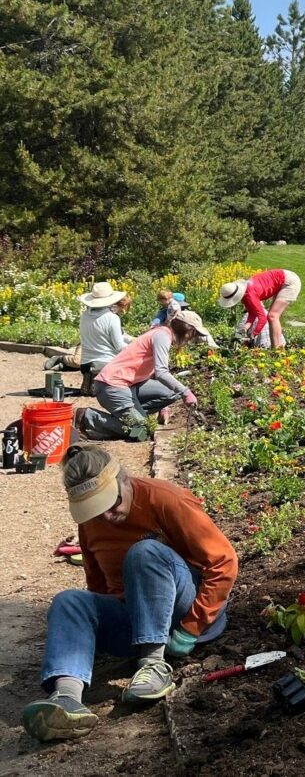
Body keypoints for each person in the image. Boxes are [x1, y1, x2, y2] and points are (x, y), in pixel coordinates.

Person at [21, 445, 238, 742]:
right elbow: (97, 587)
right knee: (69, 601)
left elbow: (223, 562)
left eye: (112, 503)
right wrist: (85, 635)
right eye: (97, 511)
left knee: (144, 552)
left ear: (124, 479)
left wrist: (192, 627)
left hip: (188, 611)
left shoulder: (165, 499)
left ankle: (153, 664)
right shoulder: (91, 524)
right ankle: (66, 698)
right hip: (136, 618)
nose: (107, 516)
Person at [78, 311, 210, 441]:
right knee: (142, 430)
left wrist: (165, 406)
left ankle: (131, 414)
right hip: (112, 386)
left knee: (171, 392)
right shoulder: (162, 336)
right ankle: (87, 416)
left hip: (128, 385)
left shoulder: (162, 334)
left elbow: (153, 373)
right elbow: (161, 372)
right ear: (187, 331)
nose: (192, 339)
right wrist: (186, 392)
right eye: (193, 334)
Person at [217, 269, 301, 349]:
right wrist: (246, 328)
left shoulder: (250, 298)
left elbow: (261, 319)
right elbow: (252, 315)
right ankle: (279, 347)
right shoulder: (248, 295)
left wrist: (251, 335)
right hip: (284, 278)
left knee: (272, 316)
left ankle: (275, 351)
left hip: (289, 281)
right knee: (273, 317)